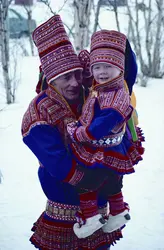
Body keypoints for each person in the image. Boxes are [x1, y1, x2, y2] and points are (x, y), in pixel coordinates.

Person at [21, 15, 123, 250]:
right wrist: (90, 179)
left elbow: (123, 78)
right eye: (66, 78)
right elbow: (56, 162)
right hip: (64, 208)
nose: (75, 83)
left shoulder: (90, 95)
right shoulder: (39, 111)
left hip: (100, 206)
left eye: (78, 74)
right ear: (51, 80)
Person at [65, 30, 145, 238]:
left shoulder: (116, 96)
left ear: (120, 69)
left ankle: (91, 218)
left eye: (108, 67)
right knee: (112, 184)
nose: (101, 72)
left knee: (87, 182)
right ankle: (118, 212)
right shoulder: (104, 86)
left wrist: (79, 133)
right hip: (113, 150)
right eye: (97, 67)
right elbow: (92, 78)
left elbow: (99, 128)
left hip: (102, 150)